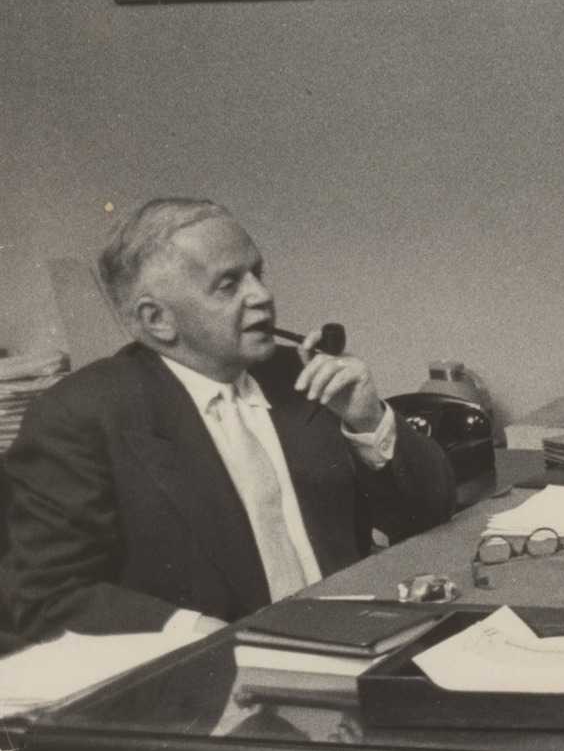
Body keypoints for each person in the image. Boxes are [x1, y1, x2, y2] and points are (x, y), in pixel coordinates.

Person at [0, 199, 455, 650]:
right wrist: (194, 632)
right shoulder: (82, 415)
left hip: (361, 642)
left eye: (258, 273)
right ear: (157, 320)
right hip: (211, 684)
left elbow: (431, 513)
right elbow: (45, 596)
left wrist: (367, 420)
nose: (261, 295)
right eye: (228, 284)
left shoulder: (300, 376)